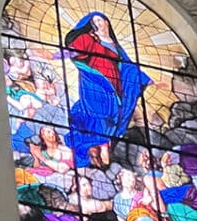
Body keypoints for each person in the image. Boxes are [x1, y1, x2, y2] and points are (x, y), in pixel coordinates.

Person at [63, 12, 151, 168]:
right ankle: (100, 148)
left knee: (113, 116)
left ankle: (103, 150)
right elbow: (75, 51)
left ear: (107, 22)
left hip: (115, 86)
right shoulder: (88, 40)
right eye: (94, 22)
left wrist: (145, 79)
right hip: (95, 83)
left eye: (100, 20)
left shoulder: (115, 45)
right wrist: (54, 55)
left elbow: (127, 66)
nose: (98, 24)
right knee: (99, 116)